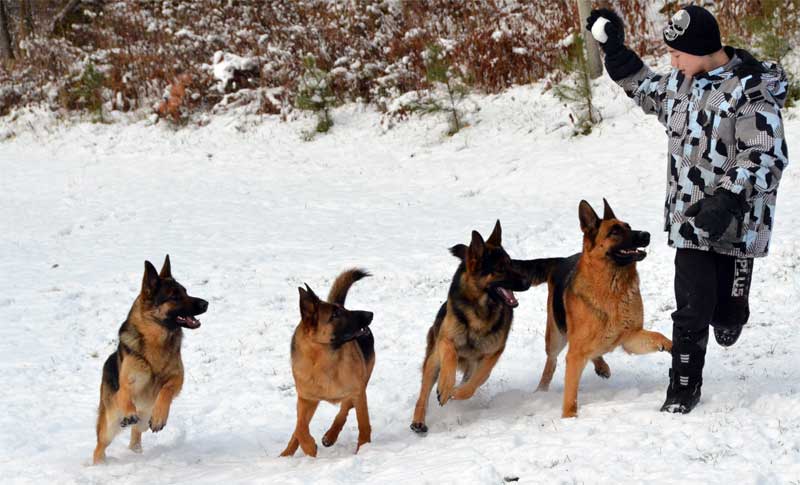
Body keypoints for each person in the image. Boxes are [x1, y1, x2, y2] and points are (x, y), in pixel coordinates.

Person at [585, 5, 789, 414]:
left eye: (678, 54)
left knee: (725, 314)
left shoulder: (749, 92)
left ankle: (733, 312)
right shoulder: (682, 83)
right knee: (691, 307)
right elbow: (646, 89)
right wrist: (617, 54)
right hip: (692, 220)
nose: (672, 61)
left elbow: (766, 156)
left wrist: (728, 197)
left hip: (737, 224)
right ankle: (683, 387)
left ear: (703, 49)